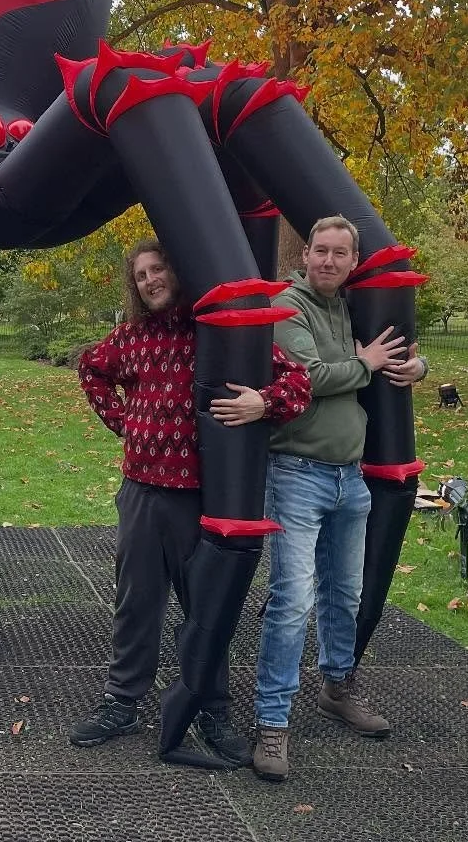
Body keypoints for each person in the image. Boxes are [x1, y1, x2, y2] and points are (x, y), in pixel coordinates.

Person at [70, 239, 311, 767]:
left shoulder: (219, 334)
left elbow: (297, 382)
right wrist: (124, 423)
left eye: (159, 268)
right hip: (141, 491)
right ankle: (123, 700)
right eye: (141, 275)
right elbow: (91, 368)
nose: (151, 280)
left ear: (178, 271)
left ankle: (211, 708)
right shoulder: (132, 338)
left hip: (203, 499)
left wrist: (261, 403)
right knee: (136, 601)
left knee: (206, 610)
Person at [251, 214, 426, 782]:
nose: (327, 261)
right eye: (319, 251)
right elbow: (310, 374)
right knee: (293, 599)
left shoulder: (354, 307)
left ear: (353, 262)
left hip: (350, 478)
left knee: (344, 595)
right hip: (297, 473)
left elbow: (399, 351)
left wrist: (416, 365)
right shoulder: (287, 306)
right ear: (304, 257)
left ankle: (336, 687)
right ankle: (272, 724)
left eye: (339, 254)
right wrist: (365, 364)